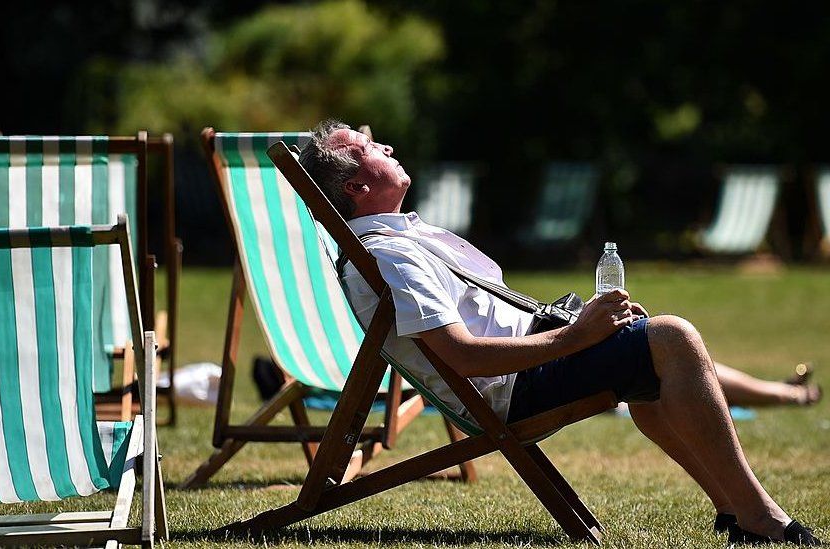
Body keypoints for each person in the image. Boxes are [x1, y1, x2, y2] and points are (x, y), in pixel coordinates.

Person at [298, 119, 821, 546]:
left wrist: (580, 328)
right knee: (672, 338)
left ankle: (733, 510)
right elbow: (462, 357)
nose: (386, 145)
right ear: (356, 186)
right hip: (513, 389)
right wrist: (576, 338)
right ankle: (759, 518)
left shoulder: (393, 239)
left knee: (650, 350)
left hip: (531, 359)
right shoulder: (390, 256)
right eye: (370, 148)